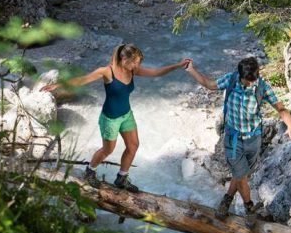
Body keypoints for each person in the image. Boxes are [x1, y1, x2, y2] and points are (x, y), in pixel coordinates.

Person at [42, 43, 190, 192]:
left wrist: (177, 65)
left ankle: (122, 178)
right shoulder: (107, 71)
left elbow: (156, 72)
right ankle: (90, 171)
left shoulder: (132, 70)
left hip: (127, 115)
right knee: (108, 150)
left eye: (138, 62)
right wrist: (58, 85)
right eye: (135, 62)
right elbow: (83, 80)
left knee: (133, 146)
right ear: (124, 58)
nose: (137, 65)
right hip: (110, 119)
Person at [185, 57, 291, 219]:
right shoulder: (231, 79)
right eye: (248, 81)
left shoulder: (261, 86)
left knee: (241, 174)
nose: (252, 84)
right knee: (240, 174)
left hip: (254, 139)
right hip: (233, 139)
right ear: (241, 76)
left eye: (254, 79)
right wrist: (191, 69)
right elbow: (209, 84)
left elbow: (280, 108)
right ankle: (249, 208)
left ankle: (226, 200)